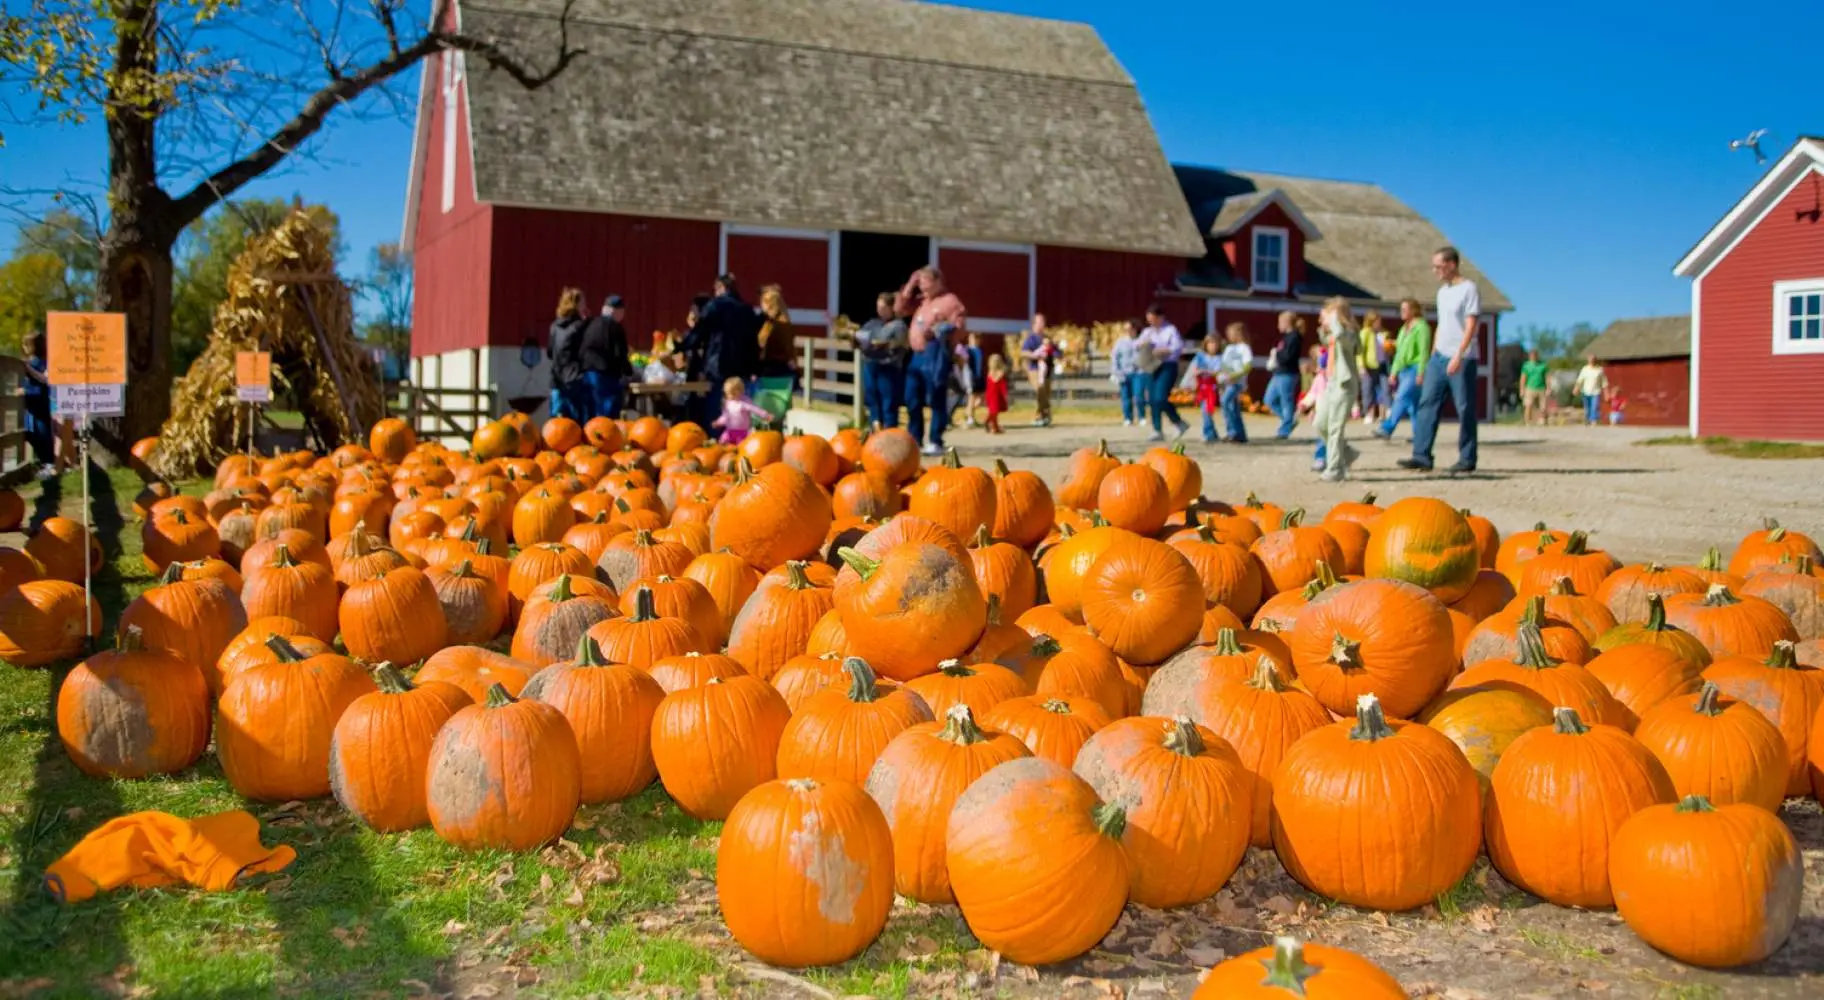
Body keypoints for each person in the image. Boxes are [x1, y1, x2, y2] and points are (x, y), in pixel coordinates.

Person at [1399, 247, 1481, 474]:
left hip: (1462, 358)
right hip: (1438, 357)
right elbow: (1442, 326)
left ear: (1452, 264)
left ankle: (1467, 458)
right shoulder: (1442, 293)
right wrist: (1432, 356)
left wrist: (1459, 355)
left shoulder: (1469, 289)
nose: (1434, 270)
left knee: (1464, 408)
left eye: (1438, 266)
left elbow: (1471, 325)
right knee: (1427, 403)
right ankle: (1421, 456)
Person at [896, 266, 968, 456]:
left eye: (925, 282)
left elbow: (960, 326)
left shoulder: (949, 301)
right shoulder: (922, 302)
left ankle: (936, 440)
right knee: (911, 396)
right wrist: (909, 286)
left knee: (936, 395)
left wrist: (942, 332)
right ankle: (915, 438)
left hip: (936, 352)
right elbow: (899, 310)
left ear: (938, 281)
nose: (922, 287)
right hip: (916, 355)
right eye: (920, 283)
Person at [677, 274, 761, 427]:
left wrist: (682, 346)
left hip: (718, 364)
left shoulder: (714, 306)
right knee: (737, 404)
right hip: (741, 366)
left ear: (721, 287)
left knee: (716, 405)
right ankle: (736, 435)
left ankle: (715, 435)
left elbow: (700, 331)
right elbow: (753, 341)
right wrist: (754, 367)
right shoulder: (746, 309)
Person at [1313, 298, 1363, 481]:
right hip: (1331, 383)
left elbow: (1344, 339)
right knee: (1320, 423)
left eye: (1329, 314)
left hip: (1345, 384)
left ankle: (1334, 469)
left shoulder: (1350, 333)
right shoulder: (1334, 334)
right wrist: (1323, 327)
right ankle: (1346, 453)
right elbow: (1326, 339)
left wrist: (1333, 320)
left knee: (1335, 427)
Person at [1376, 299, 1432, 439]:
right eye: (1401, 309)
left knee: (1401, 396)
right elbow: (1400, 353)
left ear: (1414, 310)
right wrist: (1394, 372)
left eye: (1405, 309)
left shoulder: (1422, 328)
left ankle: (1387, 427)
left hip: (1415, 368)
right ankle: (1419, 435)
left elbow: (1424, 351)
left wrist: (1421, 372)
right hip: (1403, 370)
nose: (1402, 312)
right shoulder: (1403, 329)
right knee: (1413, 405)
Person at [853, 292, 908, 430]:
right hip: (870, 364)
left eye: (883, 307)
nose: (880, 310)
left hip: (888, 367)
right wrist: (854, 339)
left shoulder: (898, 325)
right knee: (871, 398)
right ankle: (875, 427)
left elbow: (900, 345)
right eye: (878, 307)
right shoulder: (872, 324)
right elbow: (861, 337)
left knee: (888, 402)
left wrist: (883, 345)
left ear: (891, 308)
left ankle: (890, 431)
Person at [1137, 305, 1189, 442]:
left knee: (1160, 397)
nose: (1151, 322)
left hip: (1167, 365)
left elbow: (1178, 346)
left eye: (1153, 319)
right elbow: (1136, 344)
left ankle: (1178, 421)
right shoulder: (1148, 331)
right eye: (1149, 319)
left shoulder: (1170, 330)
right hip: (1151, 365)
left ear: (1160, 317)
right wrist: (1143, 344)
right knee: (1152, 399)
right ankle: (1157, 429)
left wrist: (1165, 350)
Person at [579, 293, 633, 421]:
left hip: (587, 374)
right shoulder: (615, 327)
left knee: (590, 414)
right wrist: (629, 372)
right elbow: (620, 354)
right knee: (607, 417)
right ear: (618, 311)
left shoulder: (590, 324)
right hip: (606, 376)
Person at [19, 330, 63, 480]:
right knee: (32, 432)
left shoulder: (38, 362)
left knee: (41, 432)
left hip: (39, 400)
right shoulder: (34, 361)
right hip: (33, 402)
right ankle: (44, 461)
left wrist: (28, 371)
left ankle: (48, 462)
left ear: (35, 346)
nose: (24, 348)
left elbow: (43, 381)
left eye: (27, 345)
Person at [547, 288, 588, 420]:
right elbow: (585, 353)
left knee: (556, 421)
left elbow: (550, 352)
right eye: (582, 302)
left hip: (557, 380)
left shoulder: (554, 326)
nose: (585, 305)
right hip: (575, 380)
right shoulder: (580, 326)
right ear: (576, 304)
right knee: (575, 422)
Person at [1262, 311, 1303, 438]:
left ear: (1287, 323)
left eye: (1280, 322)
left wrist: (1276, 354)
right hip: (1278, 372)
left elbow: (1288, 356)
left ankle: (1284, 430)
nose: (1278, 325)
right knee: (1269, 400)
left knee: (1286, 401)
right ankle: (1289, 420)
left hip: (1288, 374)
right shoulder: (1285, 338)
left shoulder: (1294, 337)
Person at [1217, 322, 1253, 444]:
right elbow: (1224, 365)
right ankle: (1240, 434)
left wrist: (1234, 376)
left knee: (1226, 402)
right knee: (1233, 407)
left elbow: (1247, 365)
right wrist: (1224, 377)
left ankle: (1233, 432)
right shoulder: (1229, 348)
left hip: (1236, 382)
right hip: (1227, 382)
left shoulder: (1244, 348)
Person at [1184, 333, 1225, 443]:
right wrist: (1189, 384)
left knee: (1209, 410)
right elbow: (1193, 371)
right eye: (1210, 343)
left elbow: (1221, 372)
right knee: (1206, 410)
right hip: (1203, 388)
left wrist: (1211, 373)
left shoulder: (1221, 358)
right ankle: (1209, 433)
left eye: (1215, 343)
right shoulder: (1200, 357)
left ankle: (1211, 433)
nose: (1213, 346)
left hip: (1215, 388)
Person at [713, 377, 773, 444]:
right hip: (729, 431)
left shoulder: (744, 402)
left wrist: (765, 415)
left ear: (740, 391)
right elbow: (725, 416)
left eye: (732, 394)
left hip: (742, 432)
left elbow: (755, 409)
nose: (730, 396)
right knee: (723, 443)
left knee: (743, 446)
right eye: (728, 394)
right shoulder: (728, 403)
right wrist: (718, 422)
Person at [756, 285, 796, 382]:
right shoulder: (785, 323)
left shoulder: (773, 325)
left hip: (772, 369)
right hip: (783, 368)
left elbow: (764, 347)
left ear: (769, 304)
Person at [1020, 314, 1054, 427]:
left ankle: (1042, 416)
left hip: (1047, 370)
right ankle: (1045, 411)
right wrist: (1035, 356)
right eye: (1039, 322)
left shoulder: (1047, 338)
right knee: (1040, 389)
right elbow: (1023, 352)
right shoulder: (1031, 338)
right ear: (1034, 324)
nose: (1042, 324)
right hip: (1034, 369)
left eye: (1043, 322)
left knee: (1045, 393)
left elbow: (1055, 351)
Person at [1108, 320, 1142, 426]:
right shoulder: (1121, 342)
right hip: (1123, 373)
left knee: (1138, 395)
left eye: (1130, 329)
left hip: (1138, 373)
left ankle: (1141, 417)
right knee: (1126, 397)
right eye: (1126, 329)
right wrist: (1115, 371)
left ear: (1135, 329)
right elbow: (1115, 357)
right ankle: (1128, 418)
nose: (1128, 331)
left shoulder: (1141, 341)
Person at [1357, 312, 1388, 425]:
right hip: (1369, 365)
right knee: (1368, 390)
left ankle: (1383, 414)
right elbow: (1360, 350)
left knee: (1384, 389)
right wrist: (1361, 365)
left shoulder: (1382, 334)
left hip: (1382, 364)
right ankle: (1369, 413)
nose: (1379, 323)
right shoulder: (1365, 333)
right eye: (1376, 321)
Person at [960, 333, 986, 428]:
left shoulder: (980, 350)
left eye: (976, 338)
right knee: (971, 397)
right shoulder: (967, 350)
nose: (975, 340)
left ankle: (967, 413)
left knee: (981, 398)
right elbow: (962, 361)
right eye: (973, 338)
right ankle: (970, 419)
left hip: (979, 377)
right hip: (970, 377)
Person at [1575, 355, 1608, 426]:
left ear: (1595, 360)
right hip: (1586, 391)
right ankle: (1587, 419)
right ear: (1588, 360)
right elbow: (1580, 380)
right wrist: (1576, 388)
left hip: (1596, 392)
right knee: (1587, 407)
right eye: (1590, 359)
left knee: (1594, 406)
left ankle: (1593, 420)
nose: (1592, 360)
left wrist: (1606, 393)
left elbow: (1604, 382)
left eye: (1593, 359)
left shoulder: (1599, 370)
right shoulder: (1585, 369)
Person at [1520, 348, 1550, 426]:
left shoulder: (1543, 365)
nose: (1533, 356)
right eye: (1532, 355)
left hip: (1541, 387)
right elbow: (1523, 378)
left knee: (1543, 406)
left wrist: (1548, 388)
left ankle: (1542, 420)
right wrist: (1522, 389)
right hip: (1530, 388)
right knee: (1528, 405)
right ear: (1530, 356)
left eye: (1535, 355)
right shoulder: (1526, 366)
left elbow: (1547, 377)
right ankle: (1527, 421)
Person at [984, 354, 1010, 434]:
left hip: (992, 394)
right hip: (995, 394)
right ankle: (992, 425)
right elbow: (1002, 384)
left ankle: (993, 425)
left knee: (994, 411)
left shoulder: (990, 373)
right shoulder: (999, 373)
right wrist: (1005, 393)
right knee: (994, 411)